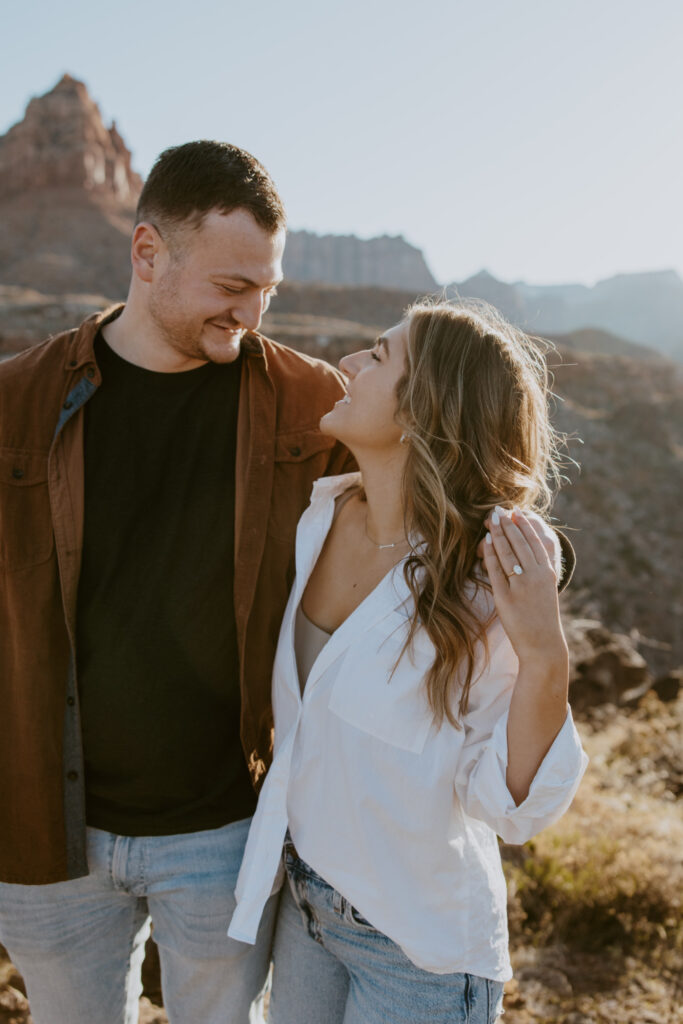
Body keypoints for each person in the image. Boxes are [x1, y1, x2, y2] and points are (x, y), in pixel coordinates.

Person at [0, 141, 355, 1024]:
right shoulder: (15, 402)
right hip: (48, 828)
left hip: (225, 828)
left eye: (268, 289)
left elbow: (426, 505)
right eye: (232, 287)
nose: (253, 313)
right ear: (148, 253)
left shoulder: (311, 406)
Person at [228, 301, 588, 1024]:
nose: (350, 365)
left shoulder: (488, 576)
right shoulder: (320, 515)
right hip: (304, 909)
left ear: (426, 409)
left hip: (417, 949)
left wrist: (544, 658)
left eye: (378, 355)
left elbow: (508, 811)